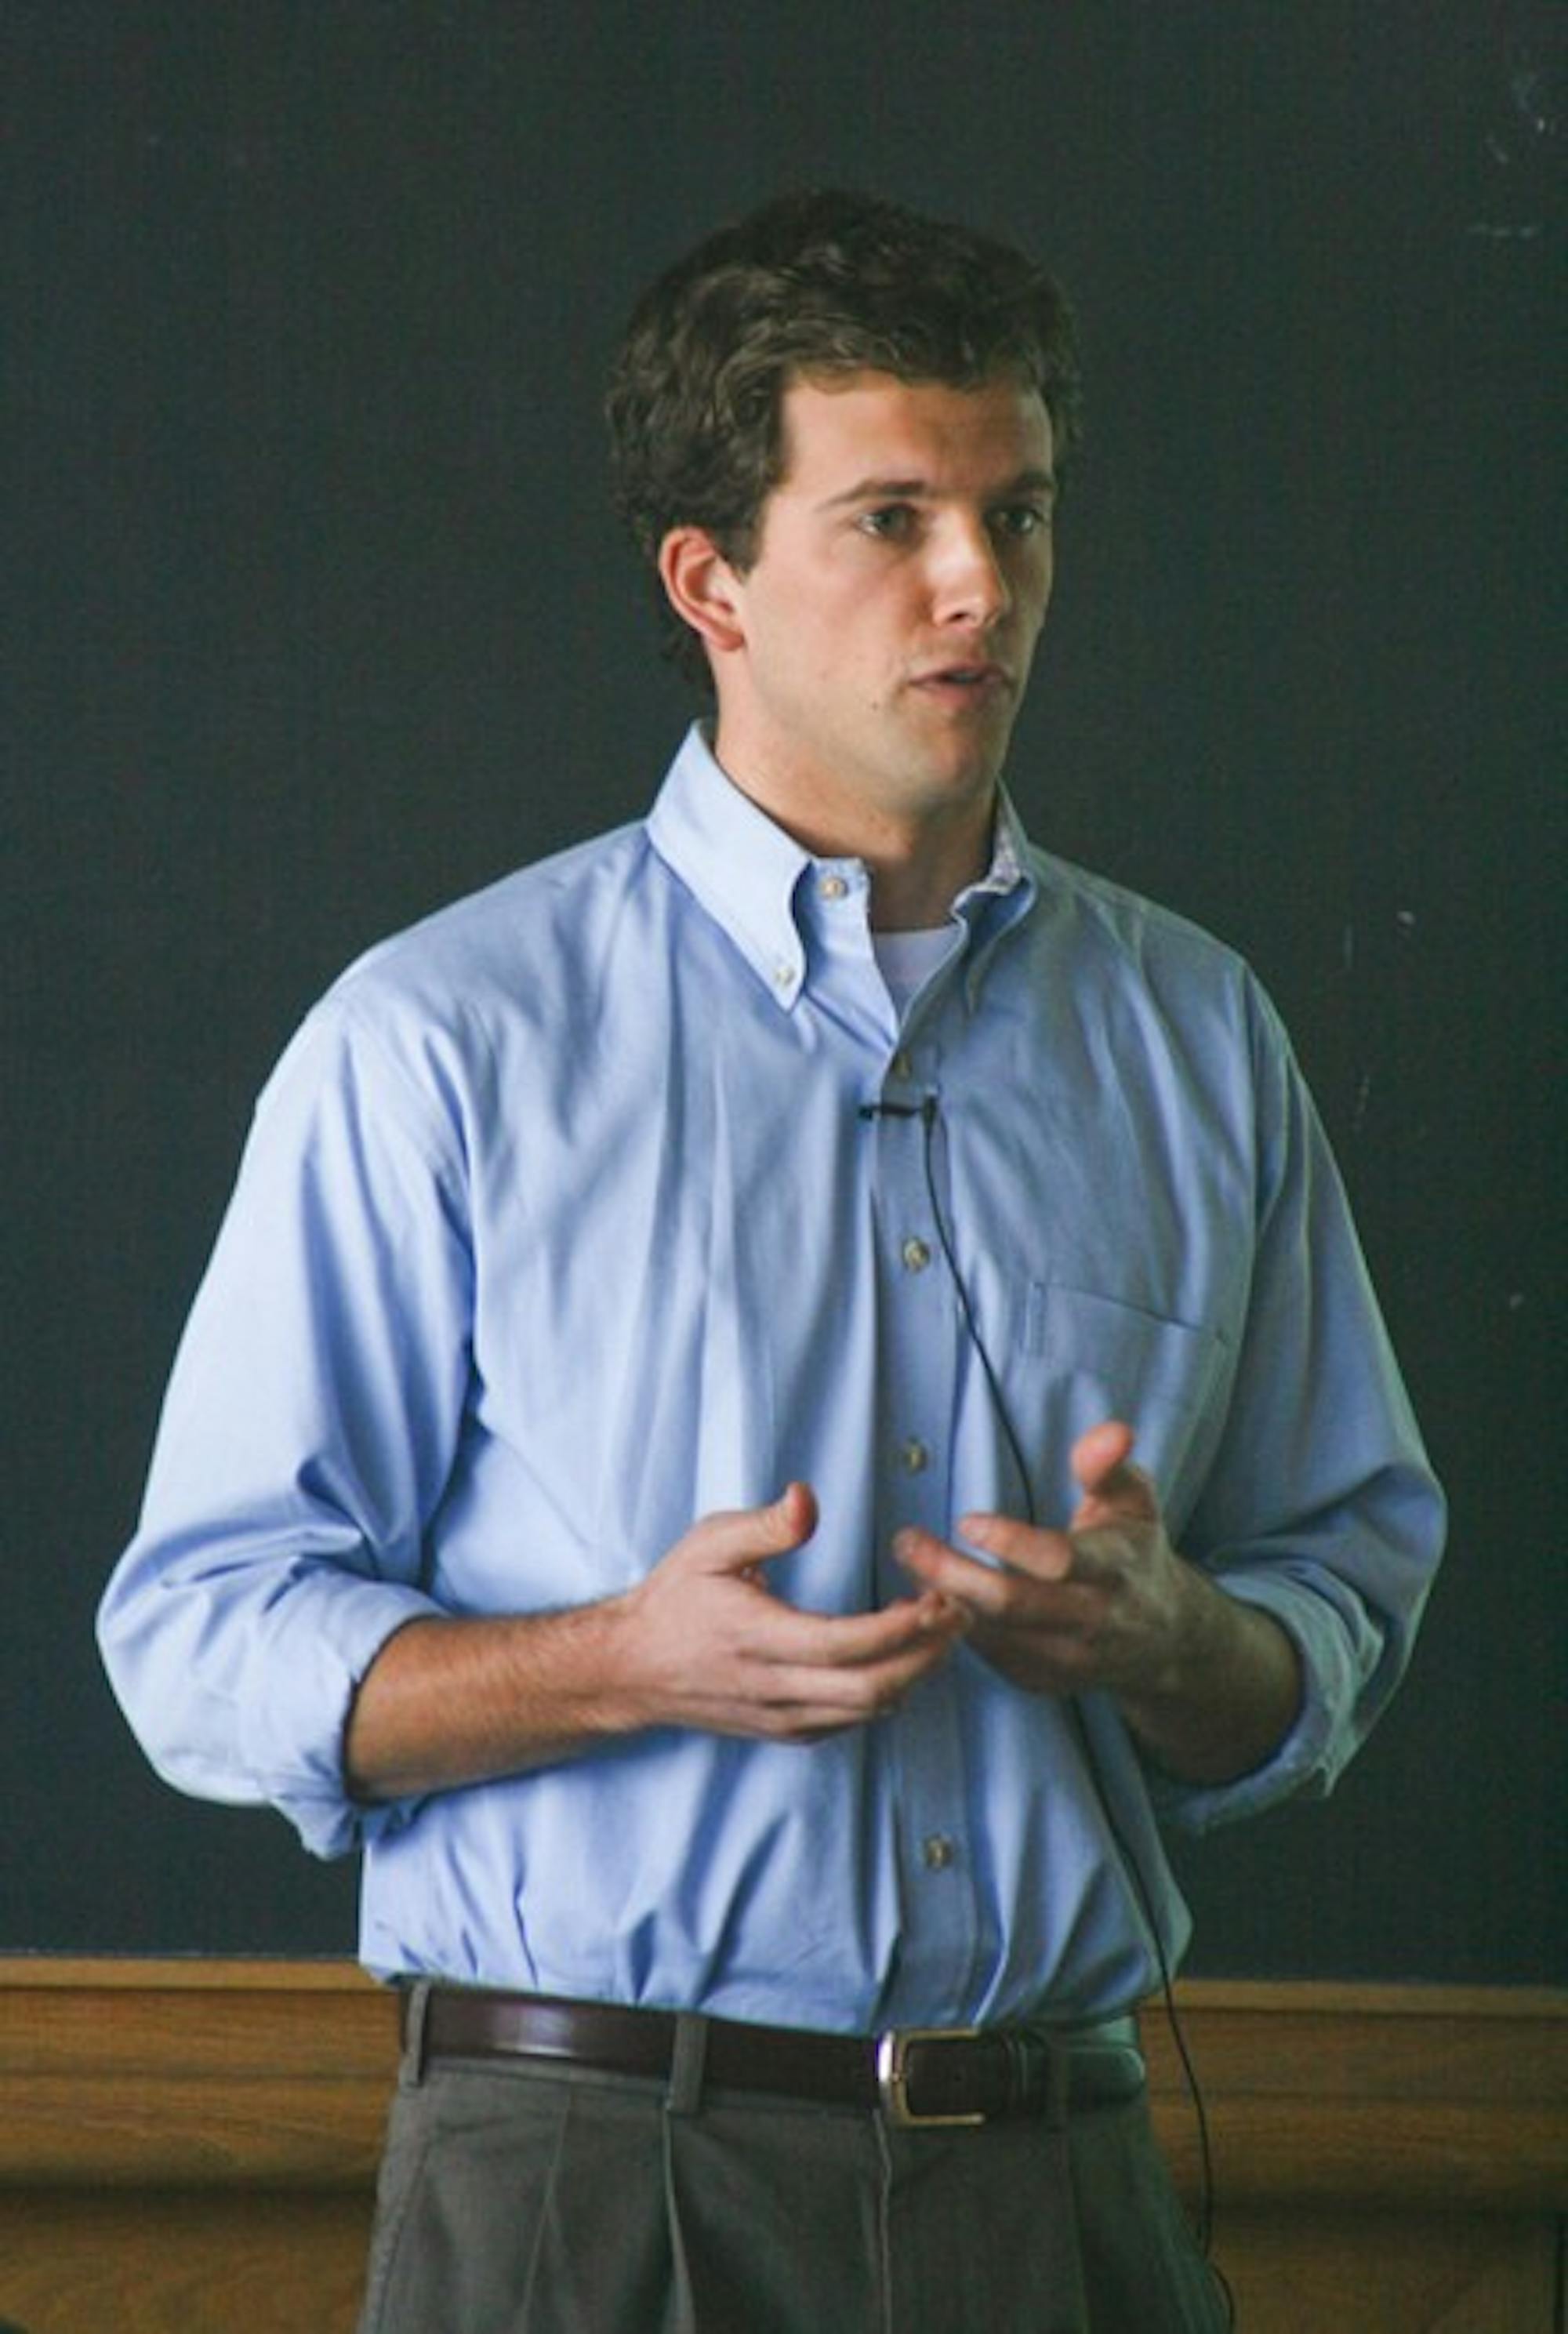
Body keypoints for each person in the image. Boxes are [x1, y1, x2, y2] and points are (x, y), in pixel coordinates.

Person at [99, 190, 1445, 2333]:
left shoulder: (1200, 1038)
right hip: (587, 2192)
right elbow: (197, 1635)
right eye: (893, 515)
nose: (979, 585)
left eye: (1020, 511)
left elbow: (1341, 1600)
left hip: (1067, 2193)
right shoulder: (440, 1043)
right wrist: (613, 1660)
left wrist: (1178, 1635)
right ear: (708, 578)